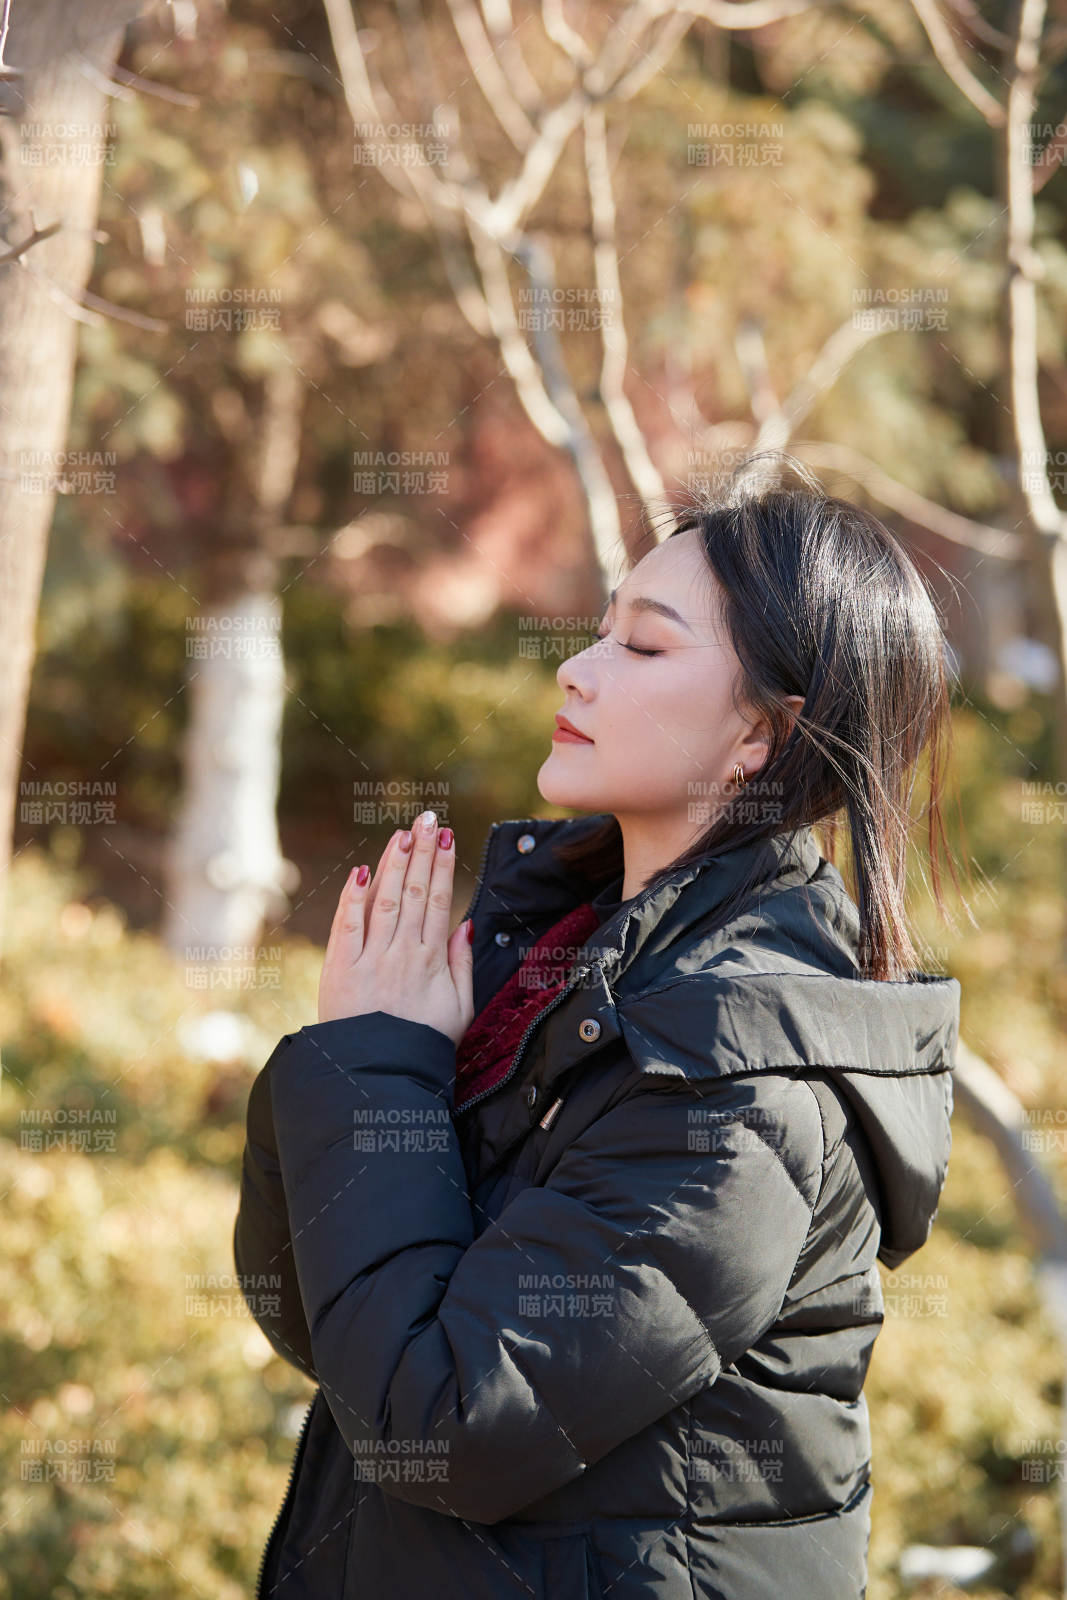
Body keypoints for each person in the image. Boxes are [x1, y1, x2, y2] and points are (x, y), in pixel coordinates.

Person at [234, 463, 967, 1599]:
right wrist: (376, 1060)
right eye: (595, 632)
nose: (573, 670)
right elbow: (331, 1328)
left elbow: (441, 1417)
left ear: (760, 739)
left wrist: (378, 1072)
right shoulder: (550, 964)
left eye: (642, 646)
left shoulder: (737, 1088)